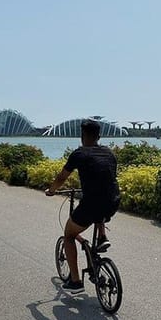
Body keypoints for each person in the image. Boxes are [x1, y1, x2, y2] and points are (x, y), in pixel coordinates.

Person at [45, 119, 120, 294]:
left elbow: (62, 177)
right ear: (99, 136)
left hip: (92, 204)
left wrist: (51, 190)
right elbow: (105, 178)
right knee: (100, 207)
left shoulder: (79, 154)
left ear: (82, 136)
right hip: (113, 201)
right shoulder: (110, 153)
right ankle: (102, 237)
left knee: (69, 235)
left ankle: (76, 281)